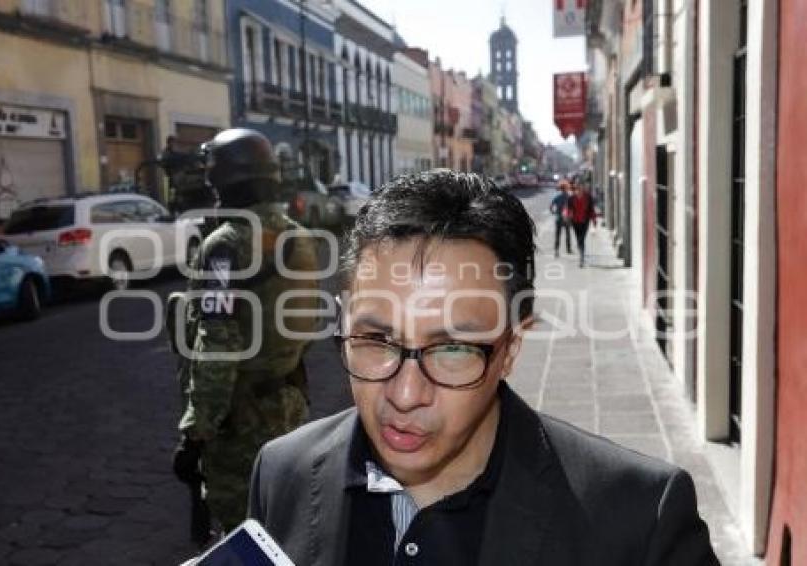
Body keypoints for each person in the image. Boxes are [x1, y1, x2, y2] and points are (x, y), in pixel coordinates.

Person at [246, 170, 718, 566]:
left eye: (453, 349)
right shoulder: (280, 472)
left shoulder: (640, 520)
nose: (405, 394)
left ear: (510, 346)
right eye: (375, 340)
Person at [170, 128, 320, 539]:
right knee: (288, 521)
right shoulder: (298, 235)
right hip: (291, 405)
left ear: (224, 182)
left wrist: (196, 432)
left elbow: (218, 346)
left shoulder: (225, 246)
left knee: (246, 531)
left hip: (244, 422)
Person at [567, 180, 598, 267]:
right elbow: (568, 210)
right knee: (578, 238)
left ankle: (581, 258)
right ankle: (581, 255)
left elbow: (591, 210)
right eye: (577, 188)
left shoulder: (588, 197)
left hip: (585, 221)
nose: (579, 190)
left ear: (583, 189)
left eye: (581, 188)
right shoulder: (571, 198)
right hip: (575, 221)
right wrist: (568, 219)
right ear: (575, 189)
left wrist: (594, 221)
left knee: (581, 239)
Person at [549, 180, 573, 257]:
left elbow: (551, 206)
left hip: (558, 217)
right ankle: (568, 249)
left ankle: (556, 250)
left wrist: (553, 212)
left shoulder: (557, 196)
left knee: (557, 234)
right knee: (568, 234)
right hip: (566, 218)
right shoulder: (569, 197)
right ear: (566, 188)